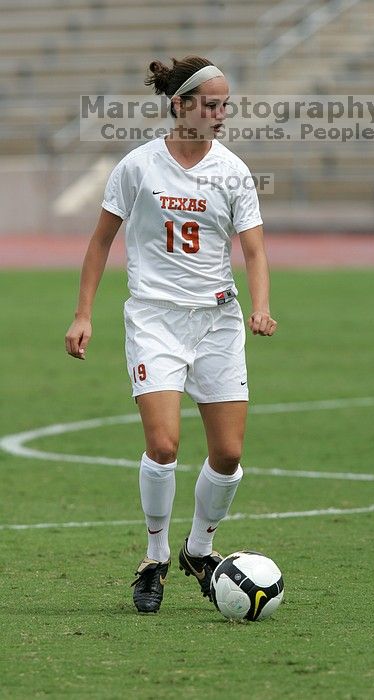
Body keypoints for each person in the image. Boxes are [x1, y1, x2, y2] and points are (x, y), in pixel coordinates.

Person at [65, 55, 277, 614]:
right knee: (163, 445)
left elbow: (253, 248)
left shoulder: (233, 171)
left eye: (224, 104)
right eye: (210, 104)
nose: (221, 113)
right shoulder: (138, 166)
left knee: (228, 454)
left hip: (217, 321)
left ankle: (199, 548)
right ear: (180, 105)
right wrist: (83, 314)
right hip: (155, 318)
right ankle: (155, 556)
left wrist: (261, 307)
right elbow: (99, 242)